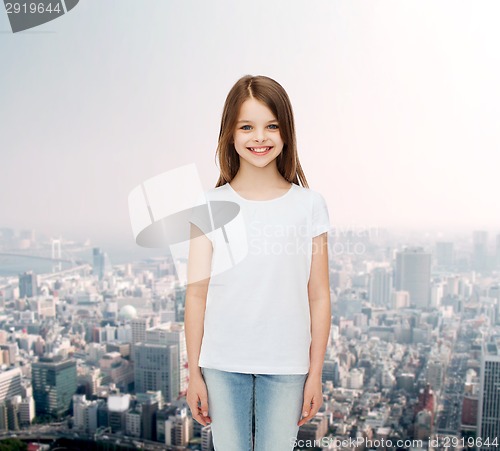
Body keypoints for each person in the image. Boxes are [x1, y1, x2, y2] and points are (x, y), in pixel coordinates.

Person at [185, 74, 331, 451]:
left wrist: (315, 374)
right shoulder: (208, 206)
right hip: (221, 362)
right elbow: (196, 295)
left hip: (287, 365)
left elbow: (319, 295)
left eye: (271, 126)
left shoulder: (310, 205)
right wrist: (194, 375)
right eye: (247, 126)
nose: (259, 137)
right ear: (230, 135)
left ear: (286, 134)